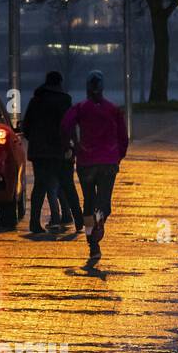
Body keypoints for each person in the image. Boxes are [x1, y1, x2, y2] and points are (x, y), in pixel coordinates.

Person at [60, 71, 129, 261]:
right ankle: (101, 219)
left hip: (86, 161)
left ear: (87, 89)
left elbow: (65, 125)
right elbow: (123, 137)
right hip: (108, 161)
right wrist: (118, 155)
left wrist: (72, 144)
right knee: (104, 202)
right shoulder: (113, 110)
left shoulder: (81, 108)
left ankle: (92, 242)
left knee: (88, 202)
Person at [20, 70, 81, 234]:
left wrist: (35, 139)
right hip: (59, 150)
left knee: (40, 187)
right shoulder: (65, 100)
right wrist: (72, 146)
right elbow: (69, 125)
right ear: (59, 83)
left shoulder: (35, 100)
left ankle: (34, 223)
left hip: (39, 152)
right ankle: (79, 221)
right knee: (67, 185)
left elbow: (26, 127)